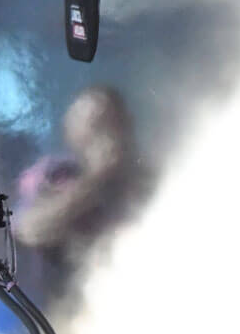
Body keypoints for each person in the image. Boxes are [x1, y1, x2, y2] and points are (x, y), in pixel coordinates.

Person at [14, 86, 152, 312]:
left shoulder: (145, 179)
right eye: (91, 120)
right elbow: (28, 230)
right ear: (71, 128)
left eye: (109, 120)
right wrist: (96, 179)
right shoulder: (52, 174)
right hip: (66, 308)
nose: (101, 131)